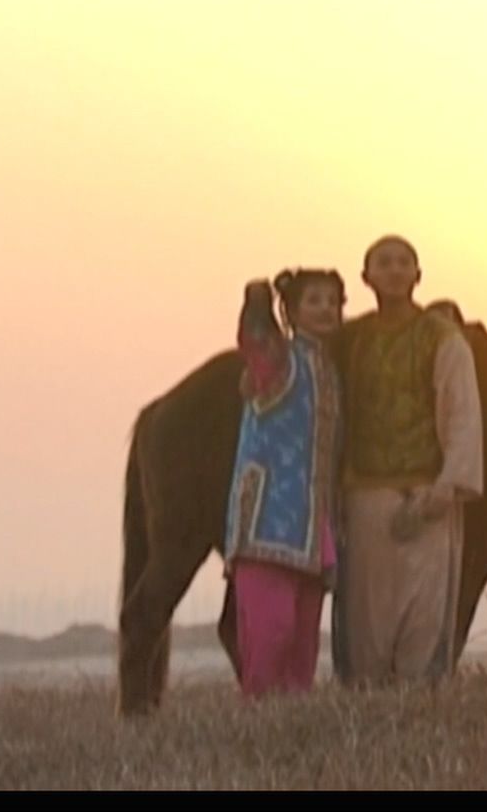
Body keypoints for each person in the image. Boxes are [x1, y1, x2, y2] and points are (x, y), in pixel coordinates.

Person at [330, 235, 484, 683]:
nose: (395, 270)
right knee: (366, 625)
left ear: (418, 275)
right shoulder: (350, 340)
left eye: (404, 262)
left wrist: (447, 485)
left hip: (427, 496)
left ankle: (418, 720)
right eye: (384, 262)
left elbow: (462, 412)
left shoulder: (443, 338)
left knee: (424, 619)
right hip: (364, 498)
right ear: (366, 277)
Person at [222, 269, 345, 698]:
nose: (326, 309)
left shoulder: (329, 369)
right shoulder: (281, 362)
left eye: (333, 301)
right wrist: (258, 301)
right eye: (313, 301)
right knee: (270, 632)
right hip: (266, 519)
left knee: (302, 642)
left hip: (312, 526)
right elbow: (256, 341)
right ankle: (258, 723)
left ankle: (291, 729)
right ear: (290, 311)